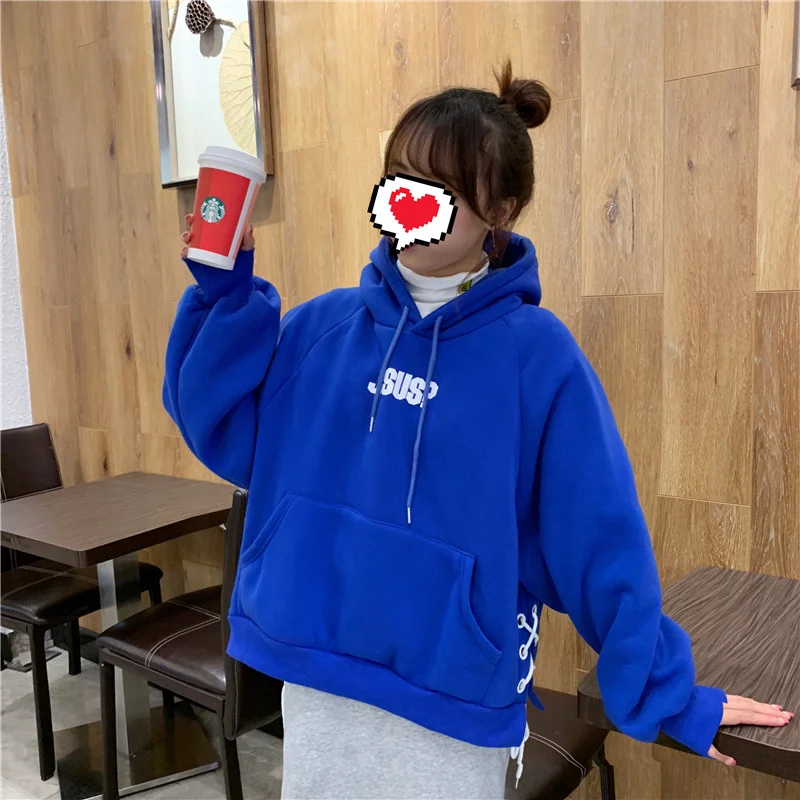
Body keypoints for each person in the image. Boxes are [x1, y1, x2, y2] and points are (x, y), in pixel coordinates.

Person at [165, 61, 792, 799]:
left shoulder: (538, 359)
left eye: (440, 190)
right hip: (318, 683)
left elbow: (598, 541)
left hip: (453, 708)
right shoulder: (322, 329)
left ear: (501, 208)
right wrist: (224, 299)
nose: (408, 203)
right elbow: (225, 431)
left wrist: (669, 695)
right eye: (398, 179)